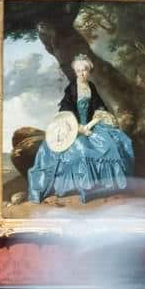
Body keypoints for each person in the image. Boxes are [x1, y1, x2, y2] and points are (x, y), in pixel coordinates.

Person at [27, 54, 135, 203]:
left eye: (84, 70)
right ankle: (87, 187)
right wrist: (78, 128)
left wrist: (89, 126)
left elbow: (99, 108)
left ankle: (109, 185)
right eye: (78, 71)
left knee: (112, 143)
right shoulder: (71, 88)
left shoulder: (91, 87)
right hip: (73, 128)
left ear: (89, 71)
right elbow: (65, 110)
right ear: (75, 71)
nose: (81, 73)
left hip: (90, 125)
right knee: (82, 149)